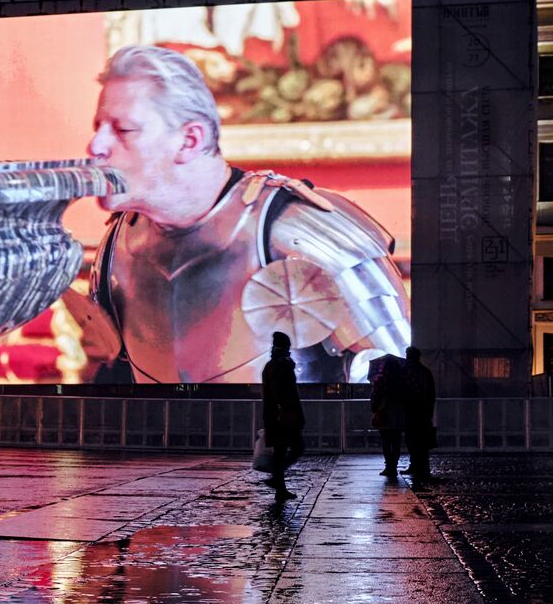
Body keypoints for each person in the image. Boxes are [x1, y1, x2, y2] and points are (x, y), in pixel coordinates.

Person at [88, 45, 410, 384]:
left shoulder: (301, 230)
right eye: (98, 127)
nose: (95, 145)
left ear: (189, 140)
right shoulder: (118, 243)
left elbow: (401, 388)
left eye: (122, 129)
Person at [261, 331, 304, 499]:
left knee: (281, 451)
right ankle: (277, 481)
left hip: (280, 417)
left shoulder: (276, 365)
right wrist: (284, 412)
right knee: (295, 448)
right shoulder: (278, 367)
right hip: (283, 417)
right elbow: (280, 393)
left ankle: (279, 487)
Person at [402, 345, 437, 485]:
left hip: (412, 411)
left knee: (412, 440)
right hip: (423, 411)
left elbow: (405, 392)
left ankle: (416, 465)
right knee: (422, 441)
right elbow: (431, 394)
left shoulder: (408, 373)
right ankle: (423, 467)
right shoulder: (425, 372)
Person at [369, 355, 405, 478]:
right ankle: (393, 466)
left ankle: (388, 466)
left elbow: (375, 397)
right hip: (399, 413)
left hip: (384, 413)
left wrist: (375, 409)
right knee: (396, 441)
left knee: (385, 440)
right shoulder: (402, 380)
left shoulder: (380, 380)